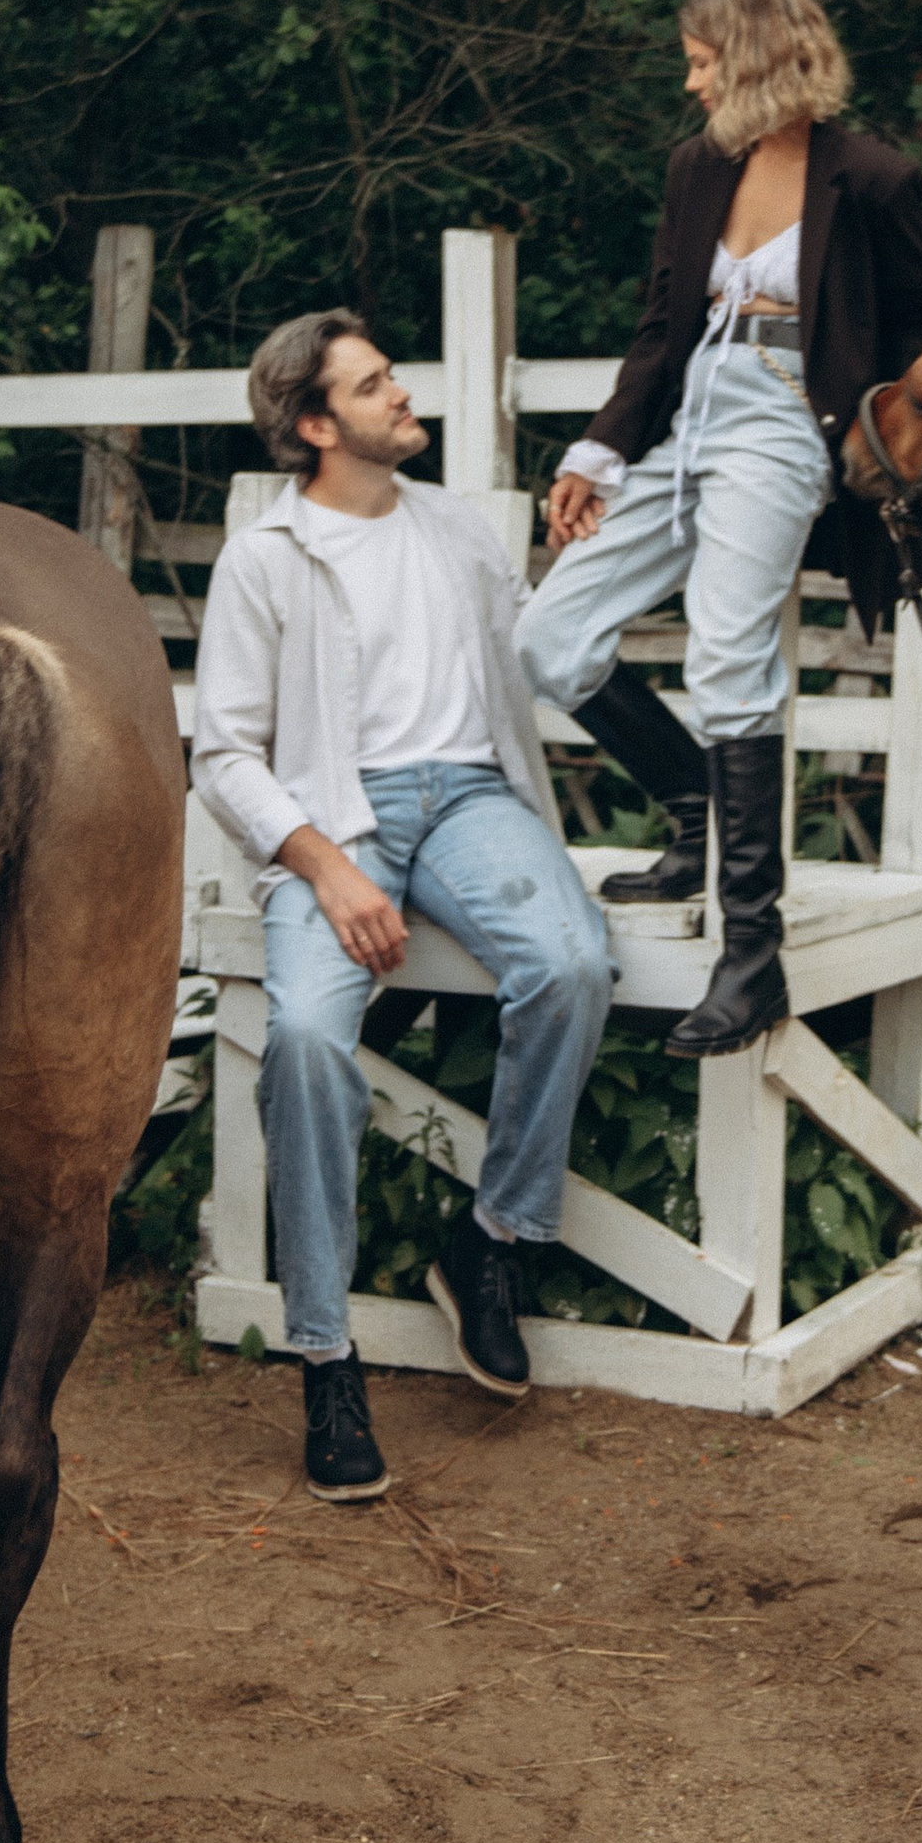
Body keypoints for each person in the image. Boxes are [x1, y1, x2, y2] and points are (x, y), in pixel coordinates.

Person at [191, 312, 614, 1504]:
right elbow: (222, 754)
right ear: (315, 426)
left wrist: (582, 547)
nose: (400, 396)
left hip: (473, 801)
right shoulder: (267, 560)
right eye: (373, 388)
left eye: (391, 379)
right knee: (311, 1043)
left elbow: (533, 644)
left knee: (573, 963)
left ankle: (491, 1240)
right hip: (338, 818)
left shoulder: (459, 530)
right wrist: (328, 867)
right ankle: (326, 1358)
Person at [518, 0, 922, 1059]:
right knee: (547, 634)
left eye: (704, 61)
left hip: (781, 424)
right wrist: (602, 449)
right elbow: (665, 322)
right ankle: (693, 814)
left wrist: (876, 444)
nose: (691, 82)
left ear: (755, 58)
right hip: (692, 418)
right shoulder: (695, 170)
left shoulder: (872, 180)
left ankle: (749, 954)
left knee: (726, 656)